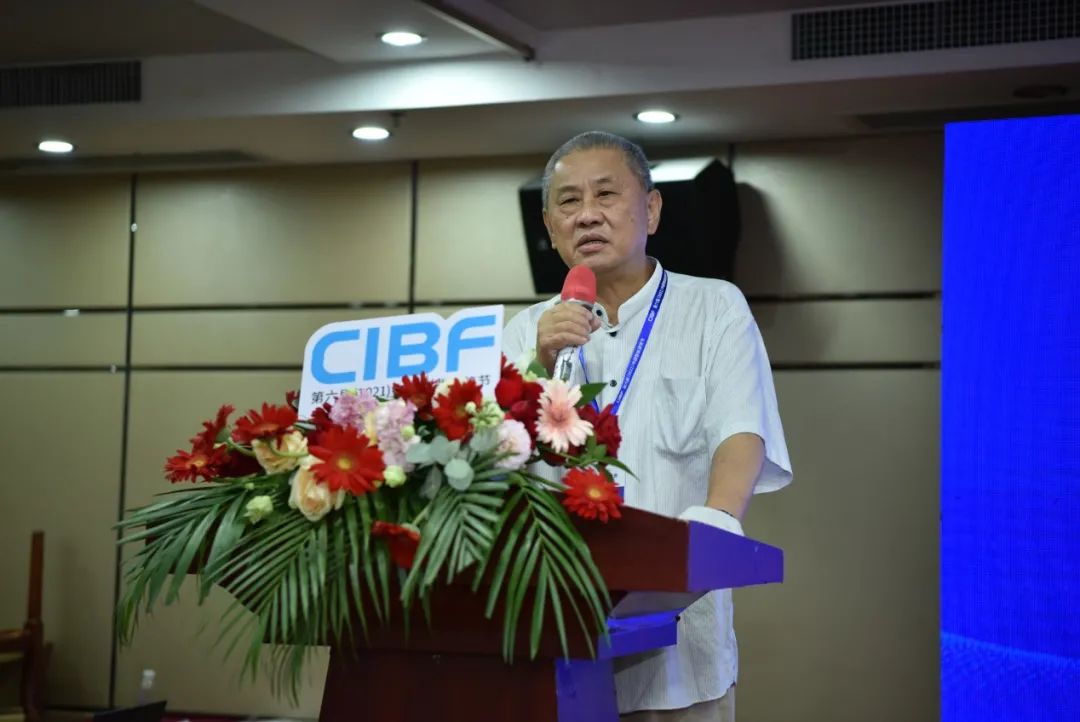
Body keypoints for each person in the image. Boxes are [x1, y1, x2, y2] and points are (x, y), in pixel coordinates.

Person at [501, 131, 792, 721]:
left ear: (652, 210)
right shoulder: (524, 333)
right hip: (554, 641)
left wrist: (707, 536)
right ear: (550, 227)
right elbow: (492, 459)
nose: (587, 214)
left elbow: (742, 430)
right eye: (568, 202)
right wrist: (535, 364)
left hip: (678, 647)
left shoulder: (714, 306)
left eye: (606, 194)